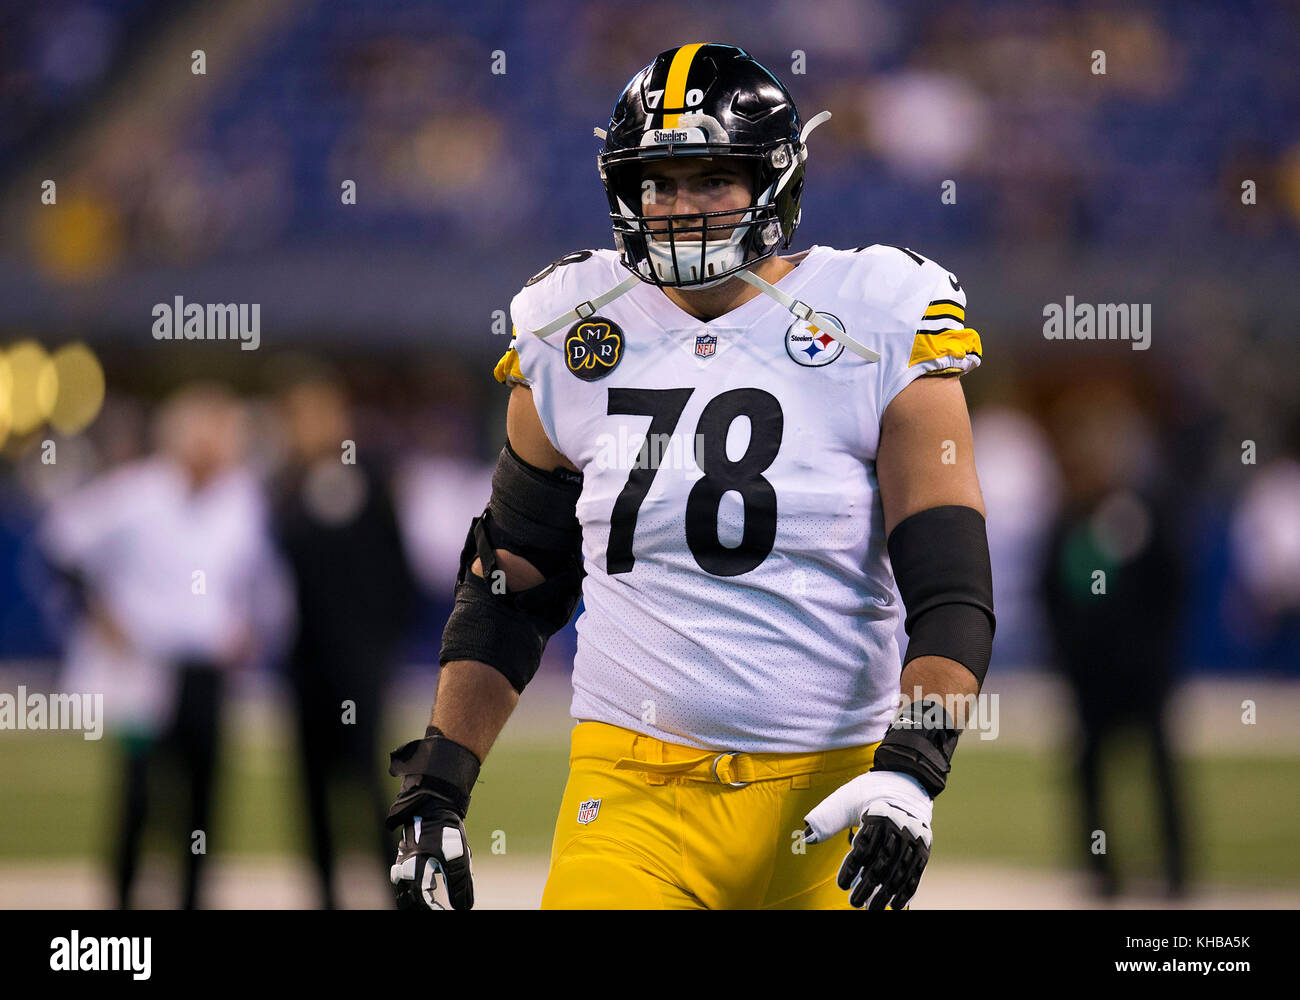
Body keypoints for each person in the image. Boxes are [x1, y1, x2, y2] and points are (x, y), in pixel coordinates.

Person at [386, 43, 995, 910]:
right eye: (658, 183)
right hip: (632, 796)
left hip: (833, 800)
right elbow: (512, 584)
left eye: (712, 179)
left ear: (773, 183)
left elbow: (954, 594)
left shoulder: (876, 319)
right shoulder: (572, 329)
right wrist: (438, 784)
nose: (678, 208)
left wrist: (913, 767)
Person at [42, 383, 282, 908]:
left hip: (206, 670)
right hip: (144, 671)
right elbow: (59, 545)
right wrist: (97, 614)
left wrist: (251, 628)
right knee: (138, 796)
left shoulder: (241, 498)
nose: (218, 444)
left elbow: (258, 579)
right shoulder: (135, 493)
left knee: (204, 802)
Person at [270, 375, 420, 908]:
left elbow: (398, 568)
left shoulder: (371, 479)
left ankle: (394, 889)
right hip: (305, 664)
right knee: (311, 788)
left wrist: (381, 646)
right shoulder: (282, 487)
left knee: (371, 783)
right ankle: (325, 894)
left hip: (360, 663)